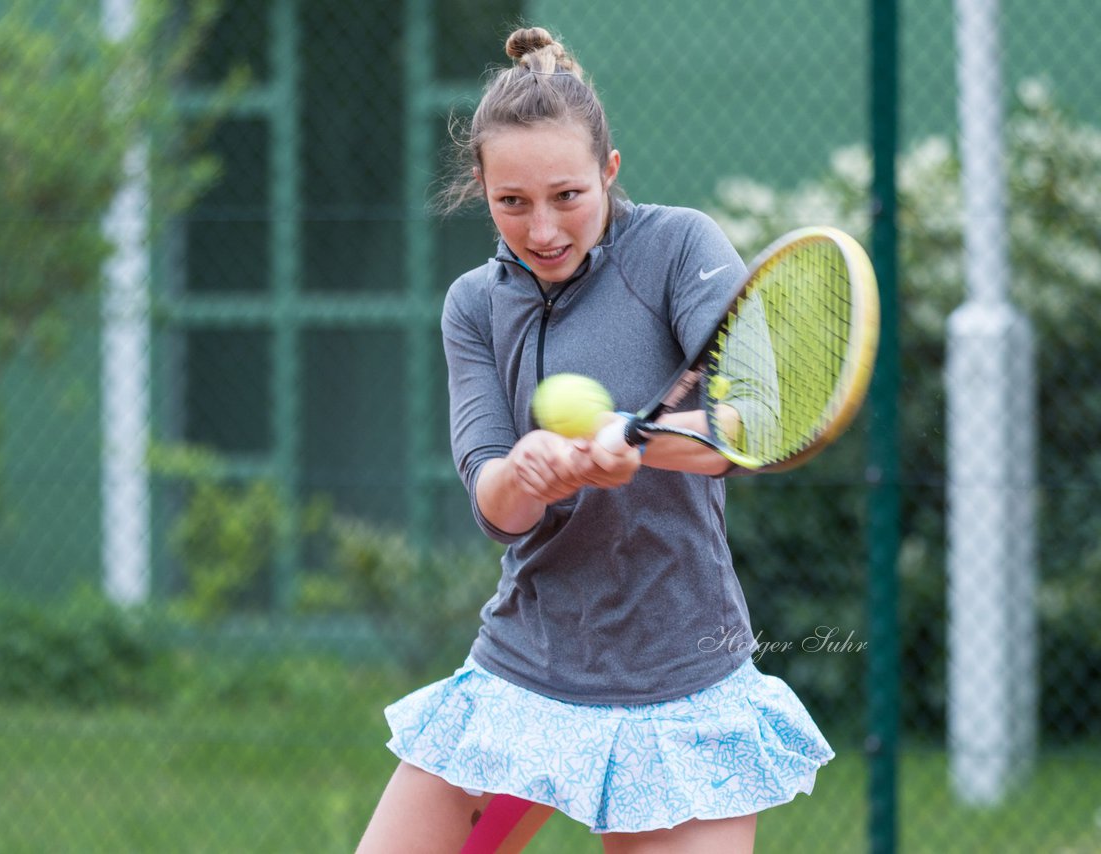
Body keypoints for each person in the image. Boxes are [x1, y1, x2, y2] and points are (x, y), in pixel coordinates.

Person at [357, 26, 833, 854]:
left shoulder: (680, 248)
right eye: (513, 202)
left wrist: (635, 440)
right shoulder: (472, 306)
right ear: (482, 188)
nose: (542, 229)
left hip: (684, 677)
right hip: (524, 669)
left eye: (568, 196)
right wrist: (529, 474)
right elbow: (492, 502)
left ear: (609, 173)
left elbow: (753, 419)